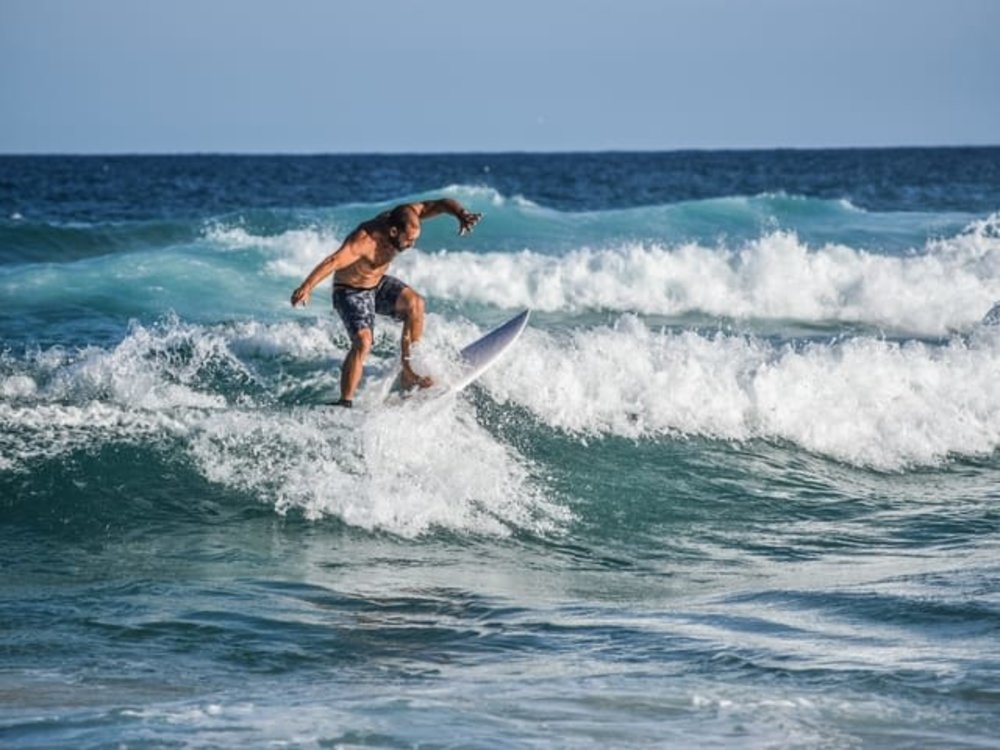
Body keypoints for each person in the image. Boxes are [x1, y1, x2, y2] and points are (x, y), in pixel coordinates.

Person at [290, 199, 482, 407]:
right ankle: (345, 401)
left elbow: (439, 204)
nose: (412, 244)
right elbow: (333, 261)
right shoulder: (363, 241)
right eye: (408, 240)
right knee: (363, 342)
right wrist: (306, 287)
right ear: (393, 231)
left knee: (416, 304)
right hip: (350, 292)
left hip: (377, 284)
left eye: (414, 239)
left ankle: (409, 372)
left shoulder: (407, 215)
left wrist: (461, 214)